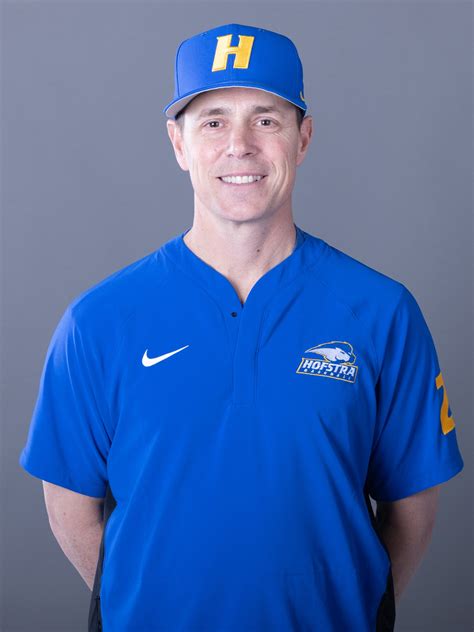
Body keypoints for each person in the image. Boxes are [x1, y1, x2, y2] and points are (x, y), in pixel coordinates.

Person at [19, 22, 464, 632]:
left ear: (303, 138)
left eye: (266, 120)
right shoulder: (98, 321)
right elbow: (70, 507)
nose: (240, 146)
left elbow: (412, 509)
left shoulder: (382, 312)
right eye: (212, 122)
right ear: (178, 143)